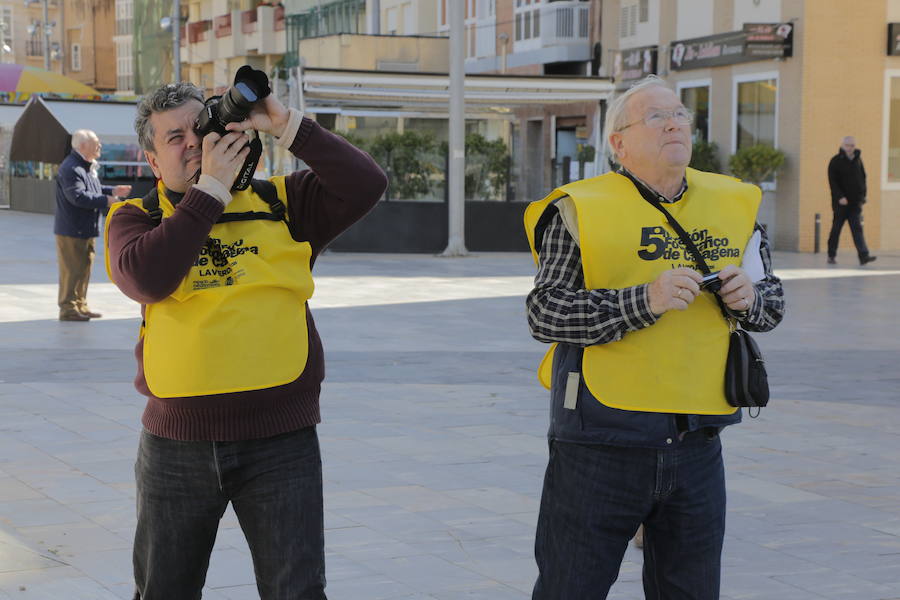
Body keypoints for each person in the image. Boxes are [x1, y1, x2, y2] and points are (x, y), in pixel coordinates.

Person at [104, 81, 387, 599]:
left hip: (282, 442)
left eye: (201, 127)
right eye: (175, 138)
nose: (194, 142)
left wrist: (286, 126)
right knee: (164, 590)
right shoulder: (136, 219)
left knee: (296, 591)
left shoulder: (283, 203)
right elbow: (147, 278)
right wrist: (208, 191)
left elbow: (366, 184)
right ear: (151, 159)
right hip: (176, 447)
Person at [523, 76, 785, 599]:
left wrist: (749, 300)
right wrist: (644, 301)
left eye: (680, 114)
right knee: (570, 588)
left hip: (698, 443)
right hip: (600, 440)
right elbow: (545, 312)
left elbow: (772, 304)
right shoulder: (579, 208)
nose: (674, 123)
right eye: (655, 116)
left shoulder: (733, 205)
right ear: (617, 144)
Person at [54, 129, 131, 321]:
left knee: (83, 269)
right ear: (83, 146)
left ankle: (80, 304)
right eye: (96, 142)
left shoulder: (84, 166)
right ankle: (68, 308)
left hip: (83, 228)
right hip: (72, 229)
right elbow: (77, 197)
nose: (100, 146)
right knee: (72, 270)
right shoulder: (71, 168)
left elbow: (92, 189)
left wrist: (113, 190)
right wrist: (108, 200)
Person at [827, 136, 876, 265]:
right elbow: (833, 182)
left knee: (857, 229)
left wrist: (863, 196)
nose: (851, 148)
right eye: (848, 145)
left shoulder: (858, 160)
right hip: (841, 204)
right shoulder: (835, 161)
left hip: (855, 203)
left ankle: (863, 256)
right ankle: (831, 255)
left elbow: (863, 178)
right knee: (836, 229)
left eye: (853, 145)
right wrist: (840, 197)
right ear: (842, 145)